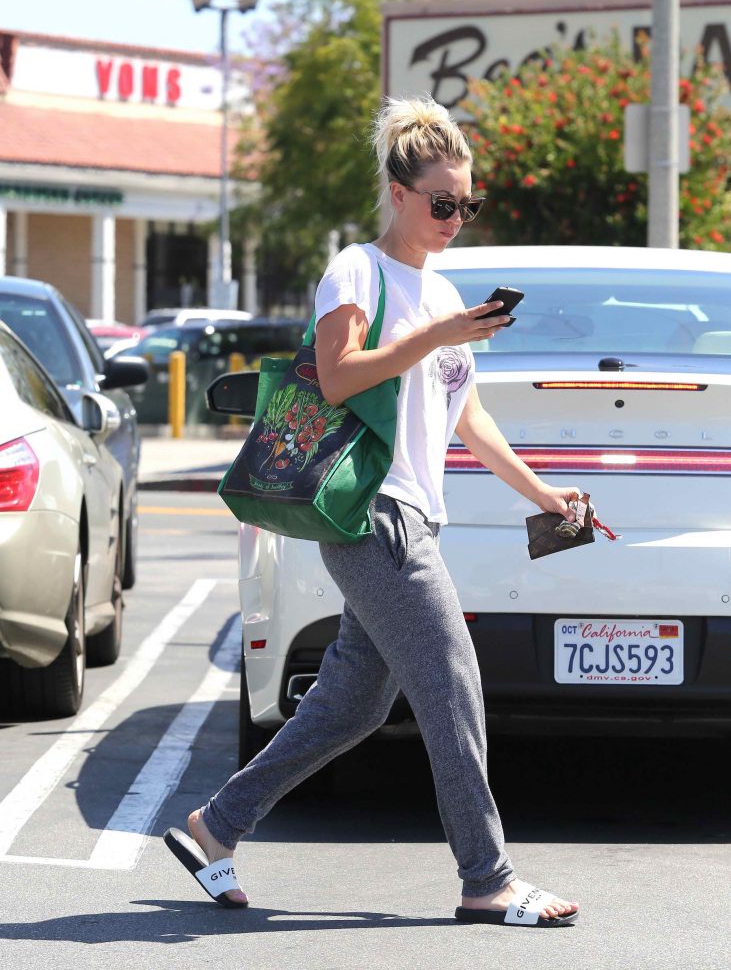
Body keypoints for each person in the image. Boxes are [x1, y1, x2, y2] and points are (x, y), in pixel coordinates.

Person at [165, 95, 580, 928]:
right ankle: (486, 878)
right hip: (371, 514)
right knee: (453, 686)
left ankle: (216, 826)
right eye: (442, 203)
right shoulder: (357, 270)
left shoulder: (445, 288)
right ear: (398, 192)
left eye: (467, 204)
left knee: (350, 706)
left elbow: (467, 416)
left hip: (414, 516)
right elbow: (341, 374)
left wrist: (542, 494)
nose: (456, 217)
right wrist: (436, 332)